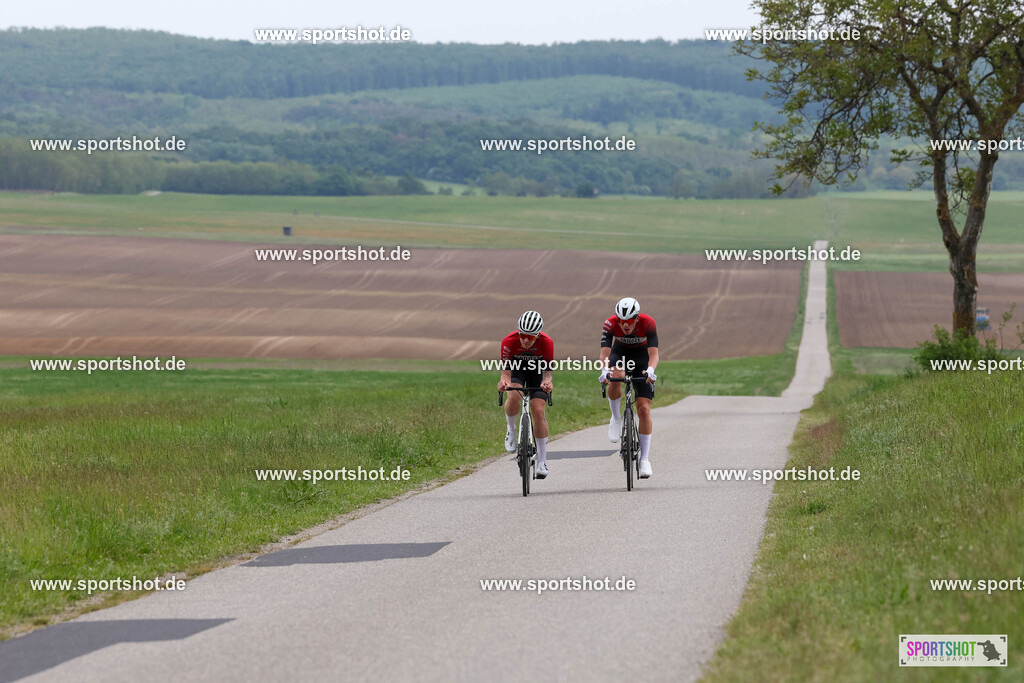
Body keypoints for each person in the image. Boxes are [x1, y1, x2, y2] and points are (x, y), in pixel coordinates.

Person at [598, 297, 658, 478]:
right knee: (615, 375)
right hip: (620, 353)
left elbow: (654, 353)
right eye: (621, 320)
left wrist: (650, 369)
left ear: (637, 318)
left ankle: (645, 459)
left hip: (642, 358)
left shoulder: (648, 323)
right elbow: (605, 353)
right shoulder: (609, 324)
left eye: (629, 321)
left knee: (644, 410)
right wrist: (604, 370)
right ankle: (616, 418)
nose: (624, 325)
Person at [497, 311, 555, 478]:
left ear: (537, 336)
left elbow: (547, 374)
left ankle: (542, 461)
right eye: (522, 335)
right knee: (514, 396)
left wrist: (547, 383)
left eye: (530, 337)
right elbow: (506, 374)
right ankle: (511, 428)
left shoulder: (547, 342)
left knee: (538, 410)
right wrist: (504, 382)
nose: (525, 340)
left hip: (537, 373)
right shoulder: (509, 341)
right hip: (517, 371)